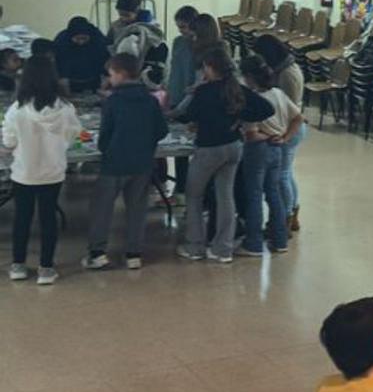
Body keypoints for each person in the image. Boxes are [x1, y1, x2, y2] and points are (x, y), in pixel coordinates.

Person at [175, 47, 273, 263]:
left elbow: (187, 116)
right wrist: (239, 118)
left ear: (209, 68)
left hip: (209, 149)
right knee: (225, 196)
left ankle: (195, 246)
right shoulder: (236, 89)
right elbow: (267, 109)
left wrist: (193, 95)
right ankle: (222, 249)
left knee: (193, 195)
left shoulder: (204, 92)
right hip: (233, 147)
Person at [81, 52, 168, 271]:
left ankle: (98, 254)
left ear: (120, 73)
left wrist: (106, 150)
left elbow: (105, 134)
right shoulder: (150, 100)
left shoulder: (113, 101)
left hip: (114, 163)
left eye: (111, 74)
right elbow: (161, 130)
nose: (109, 79)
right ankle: (133, 254)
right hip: (142, 163)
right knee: (137, 209)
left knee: (102, 208)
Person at [2, 55, 81, 285]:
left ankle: (18, 265)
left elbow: (8, 142)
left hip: (24, 173)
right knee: (48, 219)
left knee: (22, 219)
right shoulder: (65, 108)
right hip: (52, 171)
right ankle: (46, 268)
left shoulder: (16, 110)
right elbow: (74, 135)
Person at [236, 54, 302, 256]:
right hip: (277, 149)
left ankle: (254, 243)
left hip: (258, 151)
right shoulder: (278, 94)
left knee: (255, 194)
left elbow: (251, 134)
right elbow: (298, 118)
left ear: (248, 77)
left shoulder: (254, 101)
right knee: (273, 193)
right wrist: (284, 137)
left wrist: (263, 135)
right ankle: (280, 239)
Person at [253, 33, 307, 232]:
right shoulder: (284, 68)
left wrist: (282, 135)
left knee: (282, 176)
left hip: (289, 129)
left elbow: (289, 110)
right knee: (286, 173)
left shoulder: (287, 75)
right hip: (288, 127)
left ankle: (286, 216)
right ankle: (291, 211)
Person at [52, 16, 109, 92]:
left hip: (94, 79)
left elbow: (105, 61)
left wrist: (105, 81)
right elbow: (61, 66)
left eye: (84, 38)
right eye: (77, 39)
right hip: (71, 81)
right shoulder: (61, 41)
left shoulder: (98, 40)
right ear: (70, 36)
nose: (81, 42)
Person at [166, 5, 198, 110]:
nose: (180, 30)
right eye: (178, 27)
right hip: (176, 91)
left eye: (183, 27)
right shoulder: (178, 42)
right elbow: (173, 69)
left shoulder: (201, 45)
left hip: (192, 93)